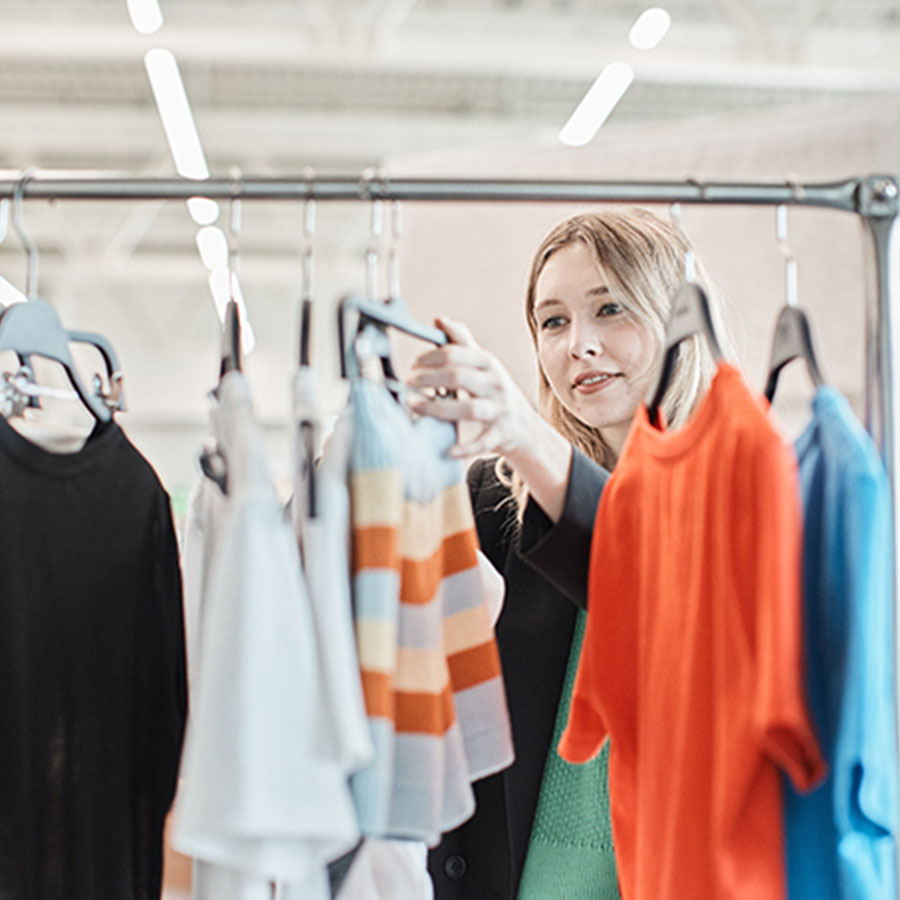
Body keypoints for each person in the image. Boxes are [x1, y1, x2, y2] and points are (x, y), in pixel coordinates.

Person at [405, 208, 726, 900]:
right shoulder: (497, 499)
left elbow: (651, 578)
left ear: (679, 320)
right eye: (552, 322)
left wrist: (522, 432)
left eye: (610, 308)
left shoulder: (738, 494)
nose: (579, 345)